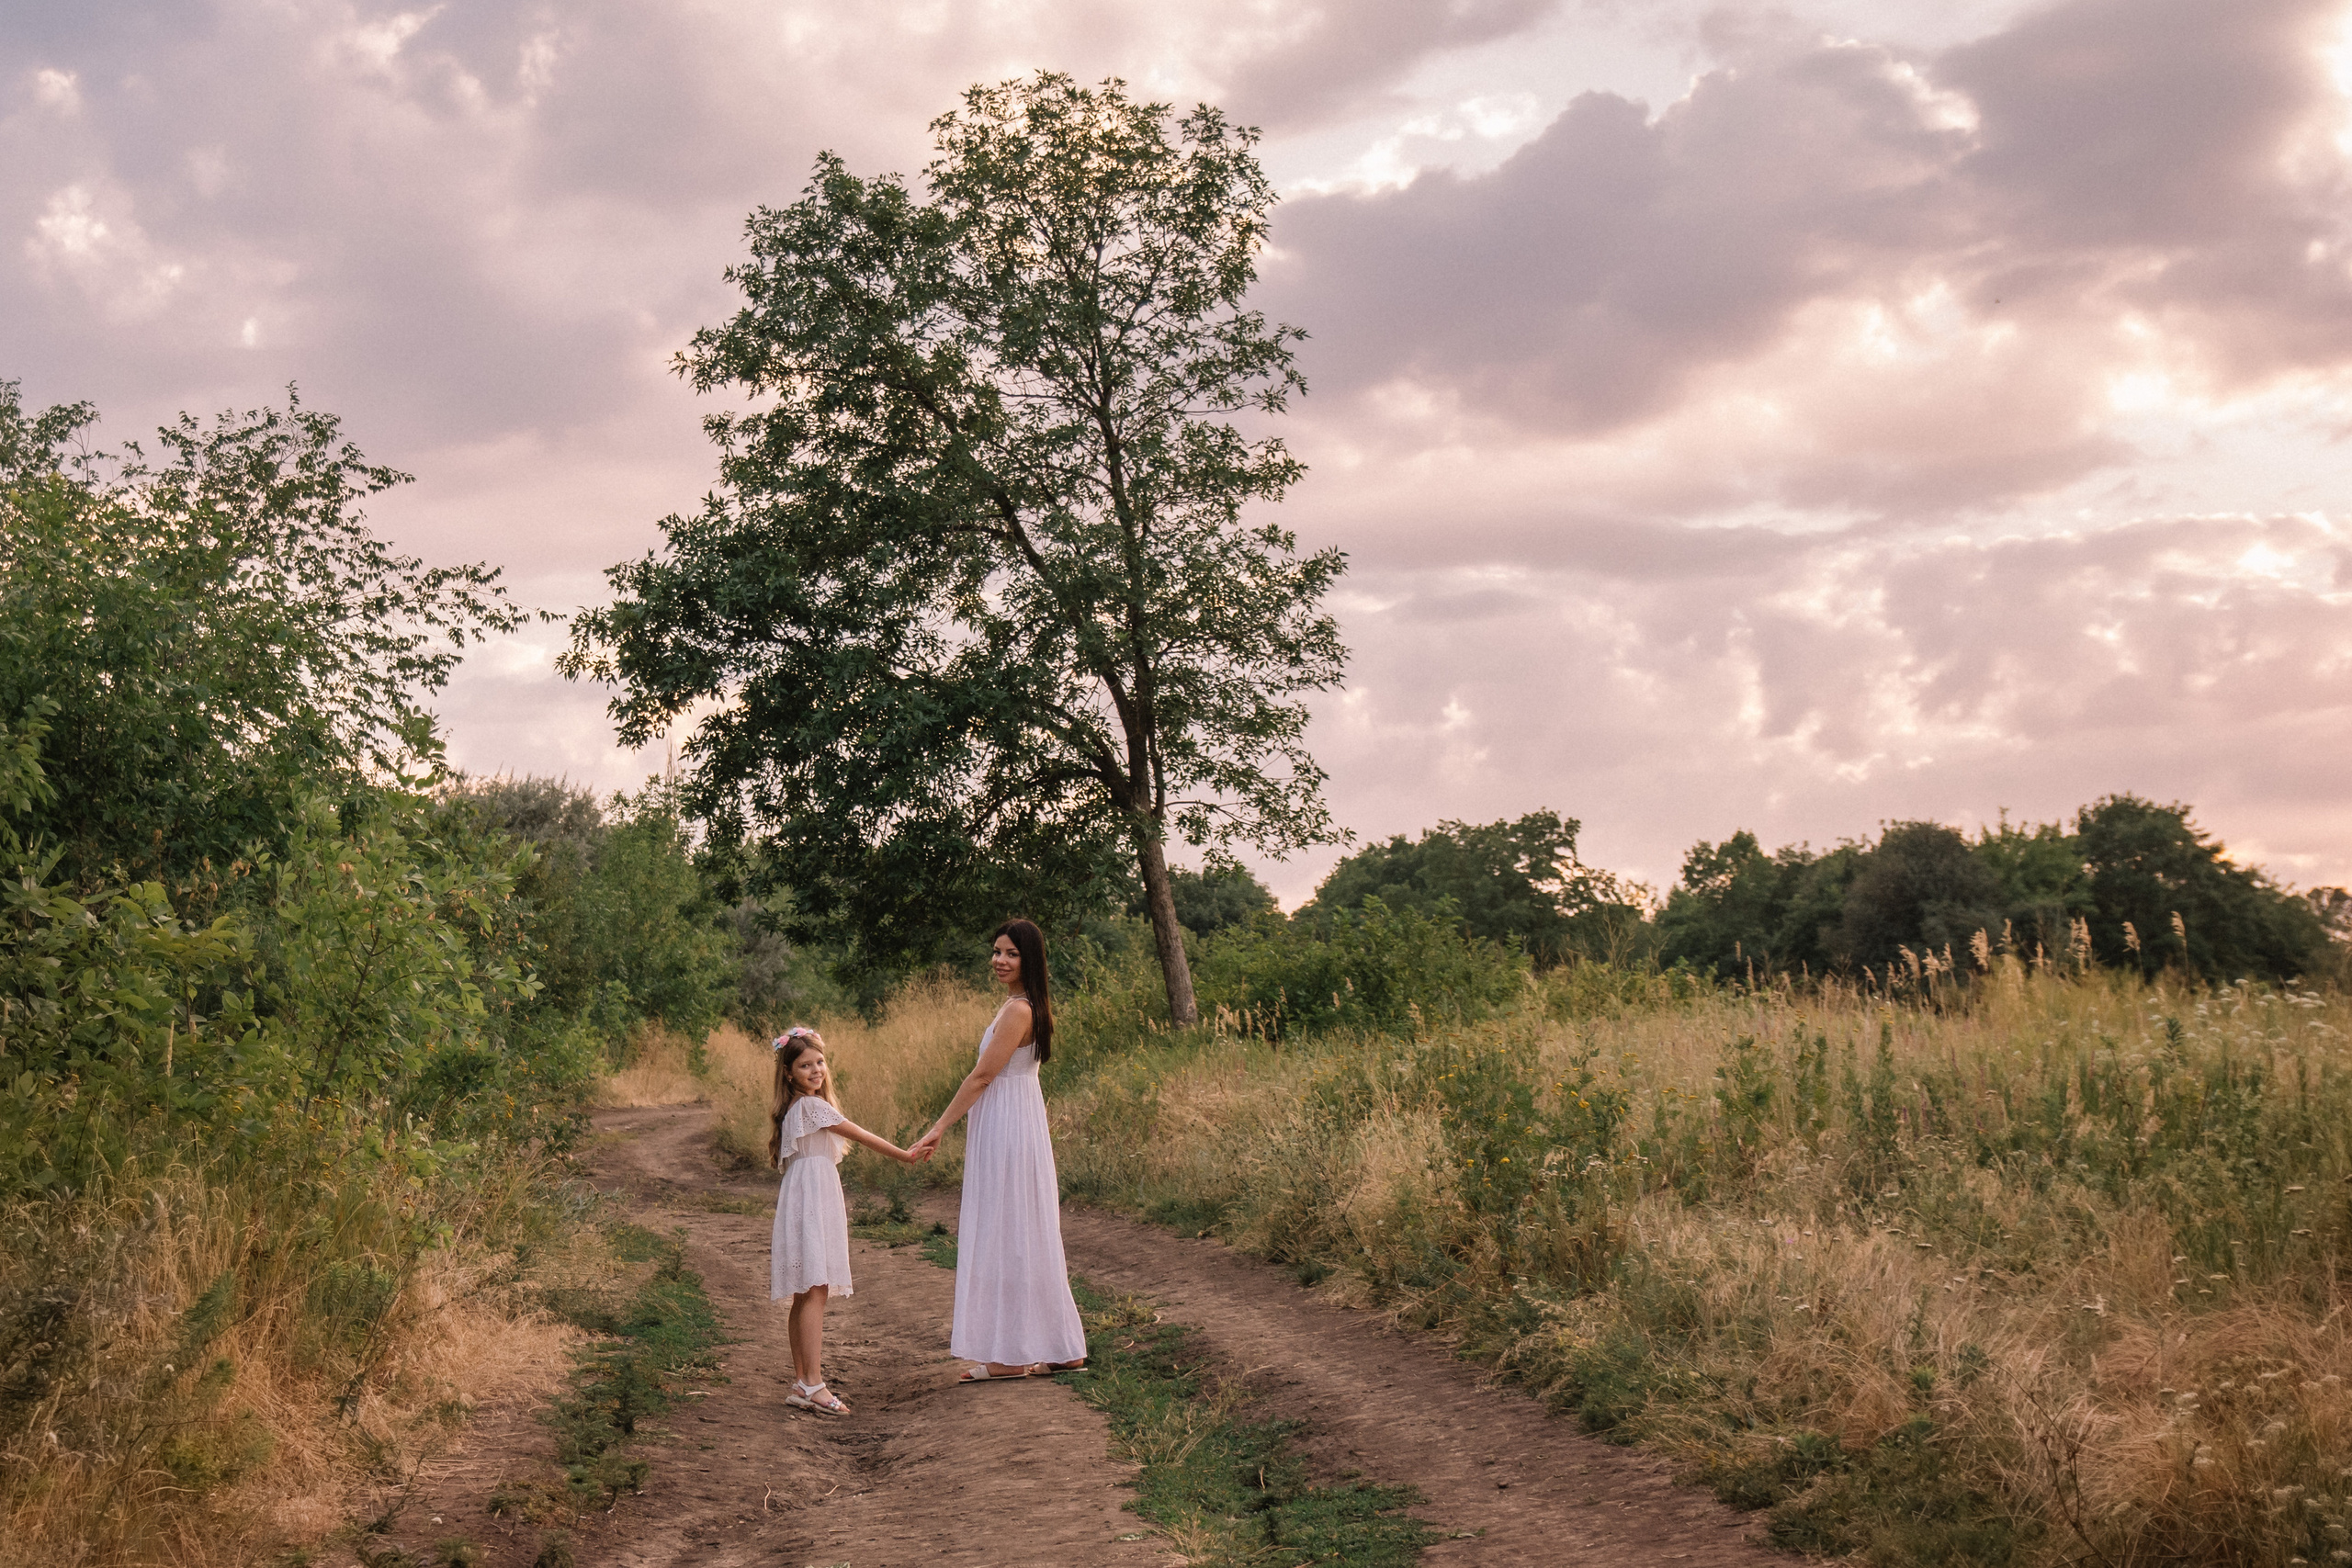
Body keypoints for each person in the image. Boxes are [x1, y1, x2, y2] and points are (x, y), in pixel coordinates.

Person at [910, 919, 1088, 1382]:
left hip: (1009, 1124)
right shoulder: (1026, 1005)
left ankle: (1010, 1357)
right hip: (1016, 1118)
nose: (999, 960)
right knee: (1026, 1226)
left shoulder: (1018, 1011)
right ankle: (1060, 1346)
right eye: (995, 951)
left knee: (1008, 1228)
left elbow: (983, 1076)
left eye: (1010, 953)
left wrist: (939, 1126)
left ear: (1029, 959)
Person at [769, 1026, 922, 1415]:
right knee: (815, 1288)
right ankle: (813, 1383)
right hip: (813, 1195)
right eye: (805, 1065)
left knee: (805, 1291)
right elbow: (861, 1134)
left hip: (803, 1192)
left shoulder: (795, 1107)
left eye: (820, 1062)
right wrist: (904, 1154)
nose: (816, 1070)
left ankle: (803, 1381)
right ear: (789, 1073)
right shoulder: (811, 1107)